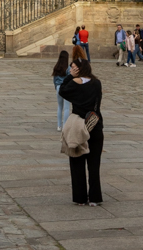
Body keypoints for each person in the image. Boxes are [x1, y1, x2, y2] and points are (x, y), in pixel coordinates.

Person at [59, 59, 103, 206]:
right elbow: (97, 103)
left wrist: (70, 76)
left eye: (73, 68)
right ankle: (95, 198)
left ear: (77, 69)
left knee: (77, 161)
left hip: (78, 125)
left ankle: (80, 198)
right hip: (94, 125)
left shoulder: (72, 83)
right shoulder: (96, 83)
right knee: (94, 164)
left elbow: (62, 91)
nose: (71, 70)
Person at [52, 50, 71, 132]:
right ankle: (65, 125)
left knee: (60, 107)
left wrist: (56, 87)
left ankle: (59, 125)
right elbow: (70, 79)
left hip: (59, 87)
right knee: (67, 108)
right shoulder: (68, 68)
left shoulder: (56, 67)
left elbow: (54, 79)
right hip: (66, 87)